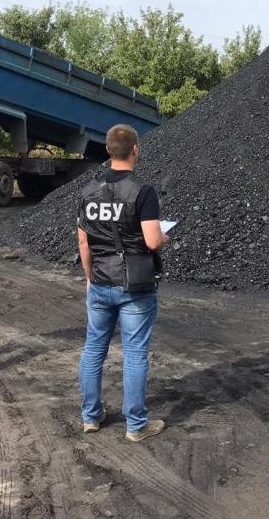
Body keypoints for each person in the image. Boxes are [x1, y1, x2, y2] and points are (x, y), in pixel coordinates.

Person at [77, 124, 170, 442]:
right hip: (134, 286)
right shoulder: (143, 192)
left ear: (107, 150)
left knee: (93, 349)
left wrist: (89, 277)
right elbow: (152, 241)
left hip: (100, 281)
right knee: (135, 354)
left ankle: (91, 417)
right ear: (135, 150)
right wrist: (165, 236)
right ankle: (136, 425)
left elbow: (83, 241)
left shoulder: (88, 191)